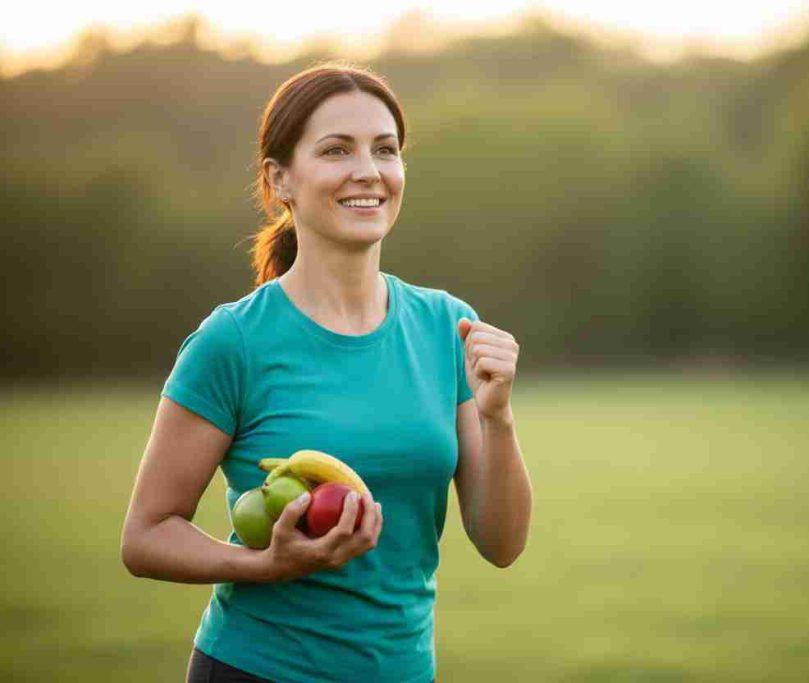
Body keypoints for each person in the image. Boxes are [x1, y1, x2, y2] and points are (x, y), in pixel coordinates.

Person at [120, 63, 533, 683]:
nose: (368, 170)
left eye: (384, 150)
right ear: (278, 180)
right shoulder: (233, 341)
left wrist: (497, 418)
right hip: (257, 670)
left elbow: (502, 546)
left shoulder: (448, 327)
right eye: (337, 150)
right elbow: (146, 536)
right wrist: (266, 565)